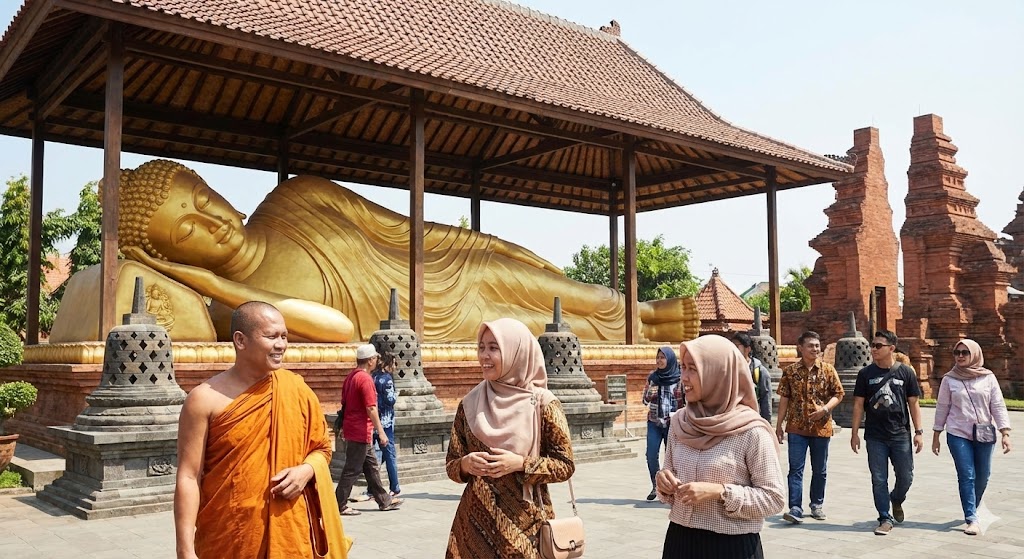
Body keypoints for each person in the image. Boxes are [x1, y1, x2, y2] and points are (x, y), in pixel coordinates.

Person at [85, 159, 698, 343]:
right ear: (177, 257)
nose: (209, 221)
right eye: (185, 233)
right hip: (430, 328)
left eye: (200, 198)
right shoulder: (237, 312)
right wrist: (218, 288)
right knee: (550, 331)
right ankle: (650, 334)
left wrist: (480, 244)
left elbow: (405, 230)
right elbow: (338, 328)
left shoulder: (297, 197)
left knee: (581, 297)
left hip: (448, 269)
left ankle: (649, 314)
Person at [173, 301, 351, 559]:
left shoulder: (296, 389)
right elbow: (189, 476)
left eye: (284, 336)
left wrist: (306, 470)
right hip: (230, 536)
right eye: (271, 336)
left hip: (290, 532)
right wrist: (185, 550)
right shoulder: (204, 400)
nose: (281, 345)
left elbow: (321, 448)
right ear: (240, 340)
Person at [445, 318, 575, 558]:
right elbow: (452, 464)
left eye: (494, 348)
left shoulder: (544, 404)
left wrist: (520, 464)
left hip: (525, 530)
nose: (484, 355)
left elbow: (565, 466)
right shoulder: (469, 403)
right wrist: (465, 464)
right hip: (474, 528)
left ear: (517, 352)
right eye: (481, 347)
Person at [655, 335, 785, 559]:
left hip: (733, 546)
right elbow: (669, 482)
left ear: (718, 373)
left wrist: (720, 492)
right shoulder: (680, 422)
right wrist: (664, 483)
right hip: (680, 541)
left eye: (693, 369)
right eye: (683, 367)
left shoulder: (751, 431)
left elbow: (774, 499)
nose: (683, 377)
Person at [931, 339, 1013, 536]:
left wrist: (1005, 432)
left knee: (983, 476)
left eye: (964, 353)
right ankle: (971, 517)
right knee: (967, 475)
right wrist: (936, 434)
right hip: (958, 432)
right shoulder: (949, 379)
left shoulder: (988, 378)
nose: (960, 356)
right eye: (957, 352)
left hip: (984, 433)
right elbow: (943, 407)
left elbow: (998, 405)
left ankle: (972, 507)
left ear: (974, 354)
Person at [849, 330, 924, 536]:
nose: (873, 349)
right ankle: (884, 517)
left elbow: (914, 404)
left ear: (891, 348)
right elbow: (858, 405)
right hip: (875, 436)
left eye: (878, 345)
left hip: (900, 434)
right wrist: (854, 433)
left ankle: (897, 498)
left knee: (906, 476)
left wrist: (919, 432)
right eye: (872, 345)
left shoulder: (906, 373)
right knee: (878, 478)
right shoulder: (865, 374)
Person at [776, 330, 844, 524]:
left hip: (821, 427)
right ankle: (795, 508)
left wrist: (825, 409)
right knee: (795, 469)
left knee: (819, 469)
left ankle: (816, 504)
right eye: (811, 346)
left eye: (817, 345)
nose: (815, 349)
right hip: (796, 427)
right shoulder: (790, 372)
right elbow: (784, 399)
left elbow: (838, 394)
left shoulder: (828, 370)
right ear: (801, 348)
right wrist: (779, 424)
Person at [335, 344, 403, 515]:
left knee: (371, 467)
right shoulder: (365, 379)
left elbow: (344, 404)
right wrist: (381, 432)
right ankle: (338, 504)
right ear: (371, 360)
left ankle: (384, 500)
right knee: (352, 470)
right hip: (361, 430)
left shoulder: (351, 377)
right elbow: (371, 408)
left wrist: (342, 426)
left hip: (354, 427)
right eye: (375, 359)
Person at [642, 346, 684, 501]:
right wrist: (649, 393)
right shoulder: (653, 377)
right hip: (654, 421)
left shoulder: (679, 378)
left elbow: (684, 402)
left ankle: (671, 488)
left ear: (670, 359)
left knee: (671, 457)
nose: (659, 360)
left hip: (672, 423)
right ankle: (656, 485)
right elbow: (644, 401)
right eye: (657, 357)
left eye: (663, 357)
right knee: (651, 454)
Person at [373, 352, 401, 497]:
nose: (395, 367)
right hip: (386, 422)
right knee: (389, 455)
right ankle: (394, 486)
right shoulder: (387, 380)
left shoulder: (373, 377)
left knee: (375, 456)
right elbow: (390, 400)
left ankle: (373, 487)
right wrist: (396, 394)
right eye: (394, 363)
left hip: (374, 421)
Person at [732, 332, 773, 422]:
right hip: (732, 418)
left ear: (748, 349)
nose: (733, 349)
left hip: (752, 418)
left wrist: (766, 422)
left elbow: (766, 399)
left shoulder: (760, 371)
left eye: (736, 346)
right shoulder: (728, 370)